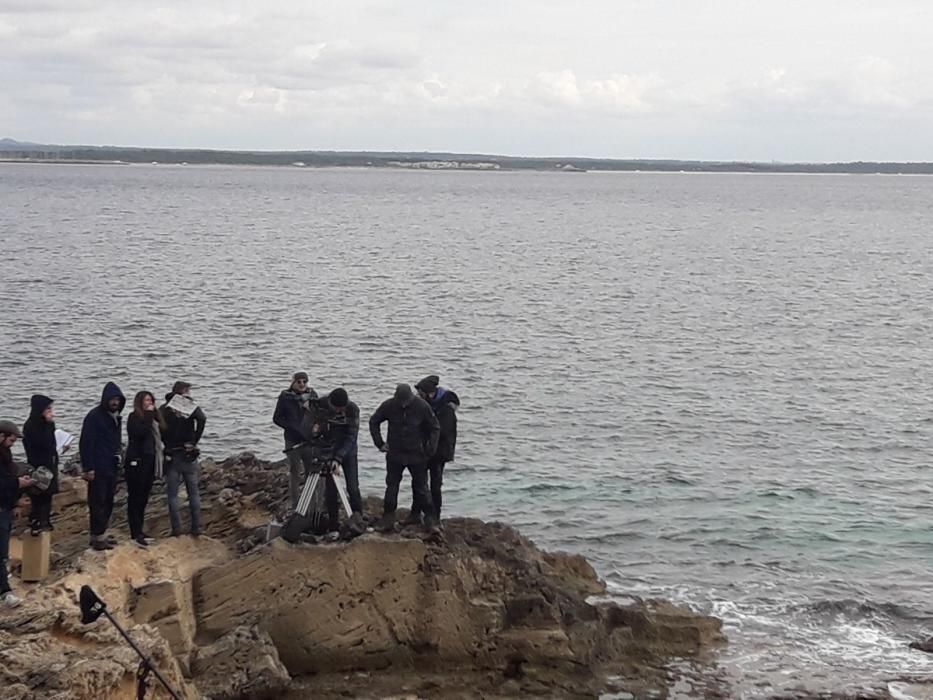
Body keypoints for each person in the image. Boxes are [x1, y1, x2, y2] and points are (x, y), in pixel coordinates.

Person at [369, 384, 440, 534]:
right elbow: (374, 421)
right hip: (395, 453)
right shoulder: (389, 405)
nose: (402, 404)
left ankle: (430, 520)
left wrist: (430, 449)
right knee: (392, 486)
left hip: (417, 454)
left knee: (422, 488)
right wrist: (379, 443)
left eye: (405, 402)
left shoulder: (422, 406)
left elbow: (435, 427)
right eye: (400, 401)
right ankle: (388, 518)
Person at [79, 382, 126, 551]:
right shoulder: (94, 417)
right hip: (98, 466)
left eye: (117, 400)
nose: (115, 403)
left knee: (108, 500)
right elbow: (86, 443)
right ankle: (97, 537)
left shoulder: (116, 417)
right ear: (105, 399)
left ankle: (101, 533)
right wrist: (88, 467)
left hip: (111, 465)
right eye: (112, 399)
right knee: (97, 501)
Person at [409, 375, 460, 525]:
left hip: (439, 452)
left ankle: (435, 516)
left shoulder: (446, 409)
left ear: (429, 393)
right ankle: (416, 513)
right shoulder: (426, 405)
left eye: (421, 393)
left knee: (435, 485)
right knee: (419, 482)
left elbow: (442, 432)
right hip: (425, 450)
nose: (418, 396)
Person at [160, 381, 206, 538]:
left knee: (172, 495)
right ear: (184, 391)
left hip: (171, 454)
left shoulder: (165, 407)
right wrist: (194, 441)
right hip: (188, 453)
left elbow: (157, 424)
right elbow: (202, 419)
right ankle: (195, 528)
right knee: (193, 493)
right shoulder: (188, 405)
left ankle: (176, 530)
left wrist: (164, 441)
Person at [318, 388, 364, 533]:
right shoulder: (322, 404)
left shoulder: (352, 409)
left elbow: (352, 436)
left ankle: (358, 520)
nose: (339, 411)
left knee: (353, 487)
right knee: (331, 490)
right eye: (337, 408)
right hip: (329, 450)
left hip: (348, 451)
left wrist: (338, 458)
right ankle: (333, 524)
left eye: (342, 408)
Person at [273, 371, 318, 511]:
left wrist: (316, 427)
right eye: (299, 381)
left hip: (309, 440)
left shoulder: (313, 395)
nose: (302, 384)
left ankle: (312, 505)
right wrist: (291, 427)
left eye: (304, 381)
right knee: (295, 472)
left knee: (311, 473)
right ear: (293, 382)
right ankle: (296, 505)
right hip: (292, 441)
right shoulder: (285, 397)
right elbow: (277, 418)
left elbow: (319, 414)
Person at [125, 391, 165, 547]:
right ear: (140, 402)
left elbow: (162, 431)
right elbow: (139, 433)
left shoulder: (153, 419)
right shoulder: (134, 417)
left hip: (151, 460)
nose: (149, 402)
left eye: (151, 400)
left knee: (144, 497)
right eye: (146, 400)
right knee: (135, 496)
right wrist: (148, 415)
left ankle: (140, 530)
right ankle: (135, 532)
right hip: (137, 460)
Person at [0, 420, 33, 607]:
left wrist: (15, 502)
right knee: (0, 554)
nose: (12, 444)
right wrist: (18, 484)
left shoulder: (6, 455)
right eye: (11, 440)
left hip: (5, 509)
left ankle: (4, 586)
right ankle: (5, 593)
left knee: (2, 553)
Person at [22, 394, 60, 535]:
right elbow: (40, 444)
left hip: (50, 462)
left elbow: (52, 444)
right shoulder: (30, 426)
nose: (50, 411)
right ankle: (37, 521)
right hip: (38, 464)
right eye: (47, 409)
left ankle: (46, 520)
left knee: (48, 494)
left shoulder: (49, 425)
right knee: (39, 494)